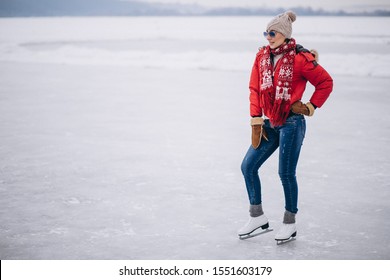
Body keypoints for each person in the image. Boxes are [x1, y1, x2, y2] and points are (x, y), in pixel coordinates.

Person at [238, 11, 333, 242]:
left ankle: (289, 223)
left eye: (273, 33)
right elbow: (254, 89)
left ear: (284, 34)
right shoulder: (261, 57)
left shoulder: (300, 58)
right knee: (248, 167)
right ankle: (257, 217)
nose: (268, 37)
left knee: (286, 173)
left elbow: (325, 82)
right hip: (270, 122)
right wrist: (256, 119)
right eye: (266, 32)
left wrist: (311, 106)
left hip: (291, 123)